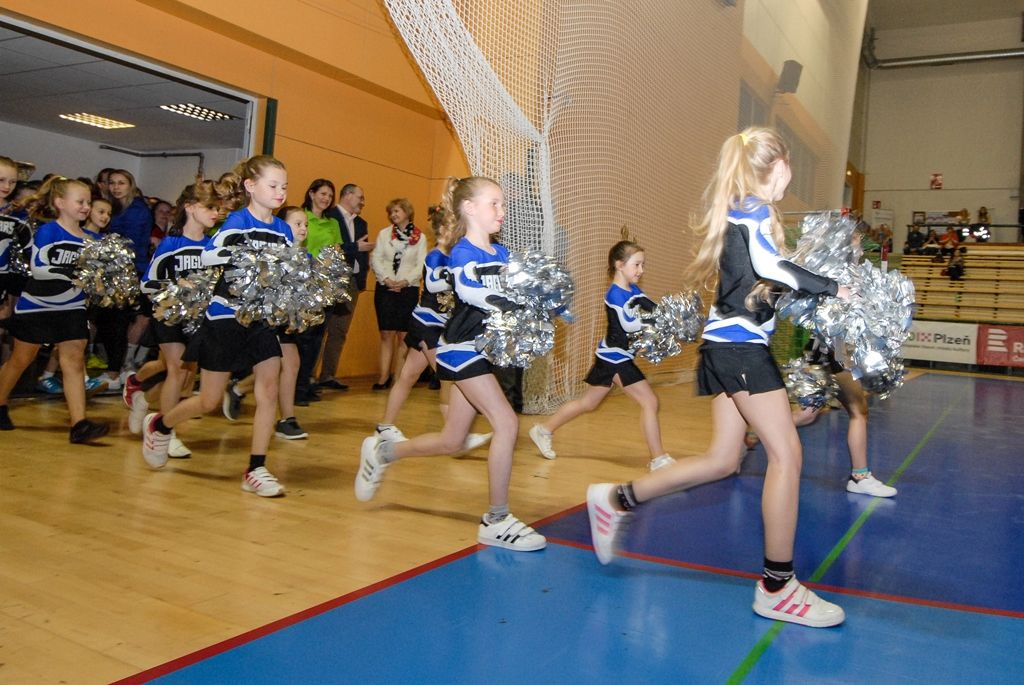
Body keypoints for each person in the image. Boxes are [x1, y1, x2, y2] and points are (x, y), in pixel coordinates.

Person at [585, 127, 851, 627]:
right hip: (740, 349)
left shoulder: (745, 211)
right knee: (787, 455)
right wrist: (833, 288)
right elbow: (772, 266)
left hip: (729, 346)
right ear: (780, 166)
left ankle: (616, 499)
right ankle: (777, 586)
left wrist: (813, 297)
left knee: (724, 459)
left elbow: (763, 285)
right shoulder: (752, 211)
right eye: (790, 166)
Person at [354, 176, 546, 552]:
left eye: (503, 203)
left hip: (482, 349)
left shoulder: (501, 252)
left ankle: (382, 452)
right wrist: (508, 300)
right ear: (469, 208)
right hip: (462, 348)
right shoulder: (462, 252)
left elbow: (520, 289)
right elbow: (471, 290)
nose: (502, 210)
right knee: (507, 423)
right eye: (494, 203)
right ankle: (496, 519)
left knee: (452, 440)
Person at [141, 155, 292, 497]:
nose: (280, 192)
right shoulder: (238, 220)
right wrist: (244, 254)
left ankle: (255, 469)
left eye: (284, 186)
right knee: (208, 399)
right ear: (250, 186)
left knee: (269, 388)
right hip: (225, 316)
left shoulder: (283, 230)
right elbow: (209, 255)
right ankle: (161, 424)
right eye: (272, 185)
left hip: (261, 318)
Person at [529, 236, 674, 471]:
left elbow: (651, 306)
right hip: (616, 358)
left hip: (611, 355)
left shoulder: (633, 290)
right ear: (619, 265)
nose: (641, 270)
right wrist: (653, 321)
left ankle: (543, 430)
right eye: (637, 264)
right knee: (650, 402)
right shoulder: (615, 294)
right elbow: (628, 325)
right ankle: (658, 459)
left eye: (642, 265)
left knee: (588, 403)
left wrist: (671, 316)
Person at [372, 203, 491, 452]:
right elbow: (434, 284)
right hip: (428, 323)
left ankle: (384, 426)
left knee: (408, 376)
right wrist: (458, 278)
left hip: (438, 325)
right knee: (450, 377)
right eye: (454, 228)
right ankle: (457, 435)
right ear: (442, 231)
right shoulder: (435, 256)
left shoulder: (458, 255)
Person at [0, 177, 109, 442]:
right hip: (37, 307)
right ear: (60, 203)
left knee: (73, 361)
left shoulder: (93, 239)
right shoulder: (49, 231)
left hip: (72, 307)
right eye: (80, 201)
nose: (86, 207)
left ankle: (79, 425)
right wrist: (72, 273)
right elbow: (38, 268)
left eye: (88, 202)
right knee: (20, 360)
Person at [130, 181, 221, 458]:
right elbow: (147, 283)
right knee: (177, 370)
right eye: (210, 207)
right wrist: (177, 288)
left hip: (197, 320)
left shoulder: (213, 245)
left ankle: (142, 397)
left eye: (217, 208)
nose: (216, 213)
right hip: (169, 316)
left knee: (183, 375)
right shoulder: (172, 243)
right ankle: (165, 434)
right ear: (190, 208)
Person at [787, 339, 897, 498]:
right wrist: (843, 357)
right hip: (835, 351)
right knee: (858, 412)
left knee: (807, 414)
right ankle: (860, 478)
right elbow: (838, 329)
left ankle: (757, 430)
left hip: (819, 350)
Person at [370, 198, 427, 390]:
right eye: (391, 212)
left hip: (408, 290)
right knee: (386, 334)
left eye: (397, 211)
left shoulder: (420, 237)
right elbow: (376, 258)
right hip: (385, 288)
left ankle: (398, 379)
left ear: (407, 212)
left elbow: (420, 265)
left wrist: (404, 282)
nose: (393, 215)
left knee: (403, 336)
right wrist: (386, 279)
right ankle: (383, 377)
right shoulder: (384, 234)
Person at [319, 183, 372, 390]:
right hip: (331, 279)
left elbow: (363, 252)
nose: (363, 202)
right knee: (320, 327)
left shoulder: (361, 223)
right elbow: (332, 248)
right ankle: (308, 378)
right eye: (360, 197)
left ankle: (327, 375)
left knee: (339, 330)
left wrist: (361, 278)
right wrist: (356, 247)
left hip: (352, 282)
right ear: (348, 195)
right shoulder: (329, 216)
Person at [296, 179, 341, 403]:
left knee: (316, 339)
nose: (326, 199)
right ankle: (295, 387)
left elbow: (337, 251)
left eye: (330, 196)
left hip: (325, 287)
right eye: (323, 194)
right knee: (302, 338)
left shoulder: (333, 223)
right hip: (304, 284)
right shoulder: (302, 217)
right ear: (312, 194)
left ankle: (306, 382)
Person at [271, 206, 310, 440]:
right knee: (272, 367)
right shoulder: (274, 254)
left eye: (306, 224)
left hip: (286, 320)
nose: (303, 228)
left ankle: (287, 419)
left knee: (291, 364)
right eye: (298, 224)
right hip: (268, 318)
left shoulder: (304, 256)